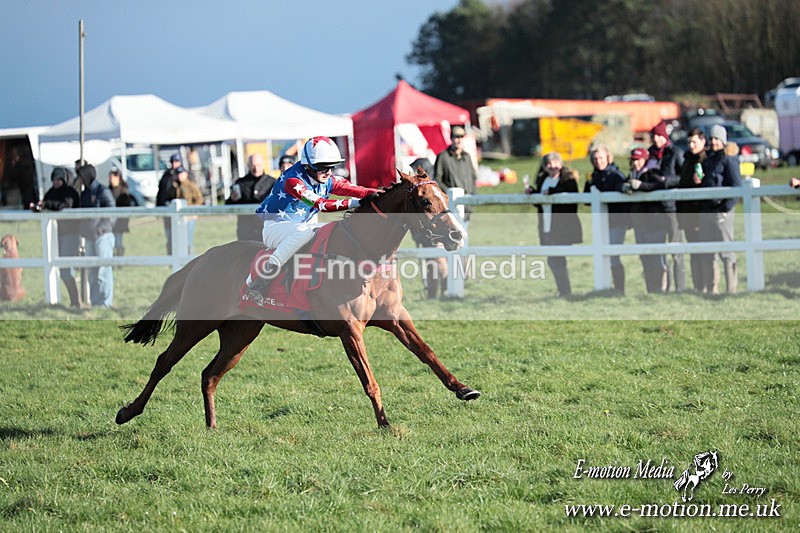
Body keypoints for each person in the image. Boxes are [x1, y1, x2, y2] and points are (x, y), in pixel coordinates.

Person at [247, 136, 378, 303]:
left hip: (302, 227)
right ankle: (261, 280)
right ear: (308, 166)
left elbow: (361, 191)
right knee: (304, 233)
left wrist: (387, 194)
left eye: (332, 167)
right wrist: (357, 203)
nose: (329, 172)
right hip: (275, 228)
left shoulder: (325, 178)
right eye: (323, 168)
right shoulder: (293, 181)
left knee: (334, 229)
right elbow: (321, 205)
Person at [525, 152, 582, 297]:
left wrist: (552, 192)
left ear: (561, 164)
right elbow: (540, 202)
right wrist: (533, 193)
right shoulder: (543, 179)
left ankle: (565, 291)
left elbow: (572, 199)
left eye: (555, 163)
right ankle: (563, 289)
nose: (552, 166)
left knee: (557, 258)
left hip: (562, 226)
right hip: (546, 226)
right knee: (552, 259)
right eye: (549, 164)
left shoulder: (568, 179)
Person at [699, 124, 742, 294]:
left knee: (726, 251)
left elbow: (737, 186)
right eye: (712, 139)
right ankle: (712, 288)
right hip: (707, 211)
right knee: (709, 252)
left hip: (722, 211)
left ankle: (731, 288)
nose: (714, 142)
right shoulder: (708, 160)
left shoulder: (729, 159)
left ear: (723, 140)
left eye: (717, 139)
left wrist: (725, 208)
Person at [32, 167, 84, 308]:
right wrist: (37, 207)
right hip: (56, 236)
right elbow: (46, 203)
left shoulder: (70, 192)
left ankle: (76, 301)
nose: (55, 182)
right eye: (54, 179)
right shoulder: (51, 192)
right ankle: (74, 302)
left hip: (70, 235)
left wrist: (46, 205)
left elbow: (64, 206)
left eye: (58, 179)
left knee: (65, 270)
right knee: (60, 270)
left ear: (63, 179)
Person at [586, 144, 629, 294]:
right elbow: (587, 200)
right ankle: (605, 287)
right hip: (601, 223)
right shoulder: (594, 176)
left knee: (613, 255)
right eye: (595, 159)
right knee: (602, 256)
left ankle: (619, 289)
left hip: (616, 221)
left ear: (608, 158)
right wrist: (588, 183)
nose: (598, 161)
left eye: (601, 158)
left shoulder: (616, 175)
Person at [76, 163, 116, 307]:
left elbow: (112, 213)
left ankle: (106, 302)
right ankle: (95, 302)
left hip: (102, 236)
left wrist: (100, 229)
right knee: (92, 272)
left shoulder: (103, 191)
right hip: (89, 237)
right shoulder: (85, 193)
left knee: (103, 270)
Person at [677, 128, 708, 292]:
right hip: (687, 212)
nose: (691, 145)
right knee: (693, 251)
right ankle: (697, 286)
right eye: (689, 142)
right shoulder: (687, 159)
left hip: (700, 212)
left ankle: (706, 285)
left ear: (703, 142)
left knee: (703, 251)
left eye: (694, 142)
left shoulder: (705, 159)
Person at [226, 153, 276, 241]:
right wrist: (233, 200)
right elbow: (228, 206)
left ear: (263, 165)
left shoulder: (272, 182)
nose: (256, 168)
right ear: (248, 166)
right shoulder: (240, 183)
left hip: (266, 230)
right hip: (245, 230)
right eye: (253, 165)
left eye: (258, 165)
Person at [434, 125, 477, 220]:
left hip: (467, 204)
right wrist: (450, 194)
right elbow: (437, 180)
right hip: (451, 205)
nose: (459, 140)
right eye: (456, 137)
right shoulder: (443, 156)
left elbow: (473, 177)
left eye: (461, 137)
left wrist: (473, 196)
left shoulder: (467, 157)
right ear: (451, 138)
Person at [173, 166, 203, 254]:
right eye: (178, 174)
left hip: (189, 216)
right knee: (181, 238)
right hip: (180, 216)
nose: (179, 176)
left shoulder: (191, 185)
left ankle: (189, 256)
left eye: (181, 174)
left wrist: (194, 211)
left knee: (188, 239)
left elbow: (199, 199)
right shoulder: (176, 185)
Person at [108, 167, 138, 257]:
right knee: (111, 243)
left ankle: (119, 260)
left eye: (112, 177)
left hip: (119, 221)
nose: (110, 179)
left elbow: (125, 206)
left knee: (118, 242)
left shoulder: (123, 191)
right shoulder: (108, 190)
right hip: (109, 221)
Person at [156, 153, 182, 253]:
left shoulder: (182, 175)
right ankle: (171, 255)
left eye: (176, 161)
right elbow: (161, 192)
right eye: (172, 161)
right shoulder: (166, 175)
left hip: (178, 211)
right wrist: (159, 206)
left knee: (178, 235)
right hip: (167, 210)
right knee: (169, 235)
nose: (174, 164)